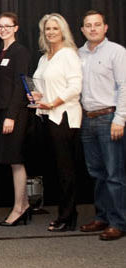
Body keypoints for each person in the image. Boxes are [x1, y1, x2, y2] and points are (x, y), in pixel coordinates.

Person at [31, 13, 82, 232]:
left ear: (63, 31)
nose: (51, 32)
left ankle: (68, 217)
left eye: (55, 28)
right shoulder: (45, 57)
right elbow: (42, 86)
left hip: (64, 117)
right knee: (57, 170)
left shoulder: (69, 54)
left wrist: (53, 103)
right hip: (47, 117)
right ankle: (65, 213)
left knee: (66, 171)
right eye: (47, 29)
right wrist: (37, 96)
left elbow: (75, 87)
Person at [78, 10, 126, 240]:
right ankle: (102, 217)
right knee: (96, 173)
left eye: (97, 24)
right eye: (88, 25)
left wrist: (120, 118)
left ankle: (118, 222)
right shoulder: (79, 54)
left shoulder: (117, 52)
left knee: (114, 174)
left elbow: (125, 86)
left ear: (105, 27)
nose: (93, 28)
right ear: (82, 30)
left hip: (109, 118)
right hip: (87, 119)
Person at [0, 13, 32, 226]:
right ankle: (23, 204)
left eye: (8, 26)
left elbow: (20, 85)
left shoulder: (20, 51)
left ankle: (19, 207)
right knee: (11, 160)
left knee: (16, 160)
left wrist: (10, 116)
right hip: (3, 112)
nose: (3, 29)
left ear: (16, 28)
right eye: (0, 26)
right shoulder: (1, 52)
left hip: (15, 113)